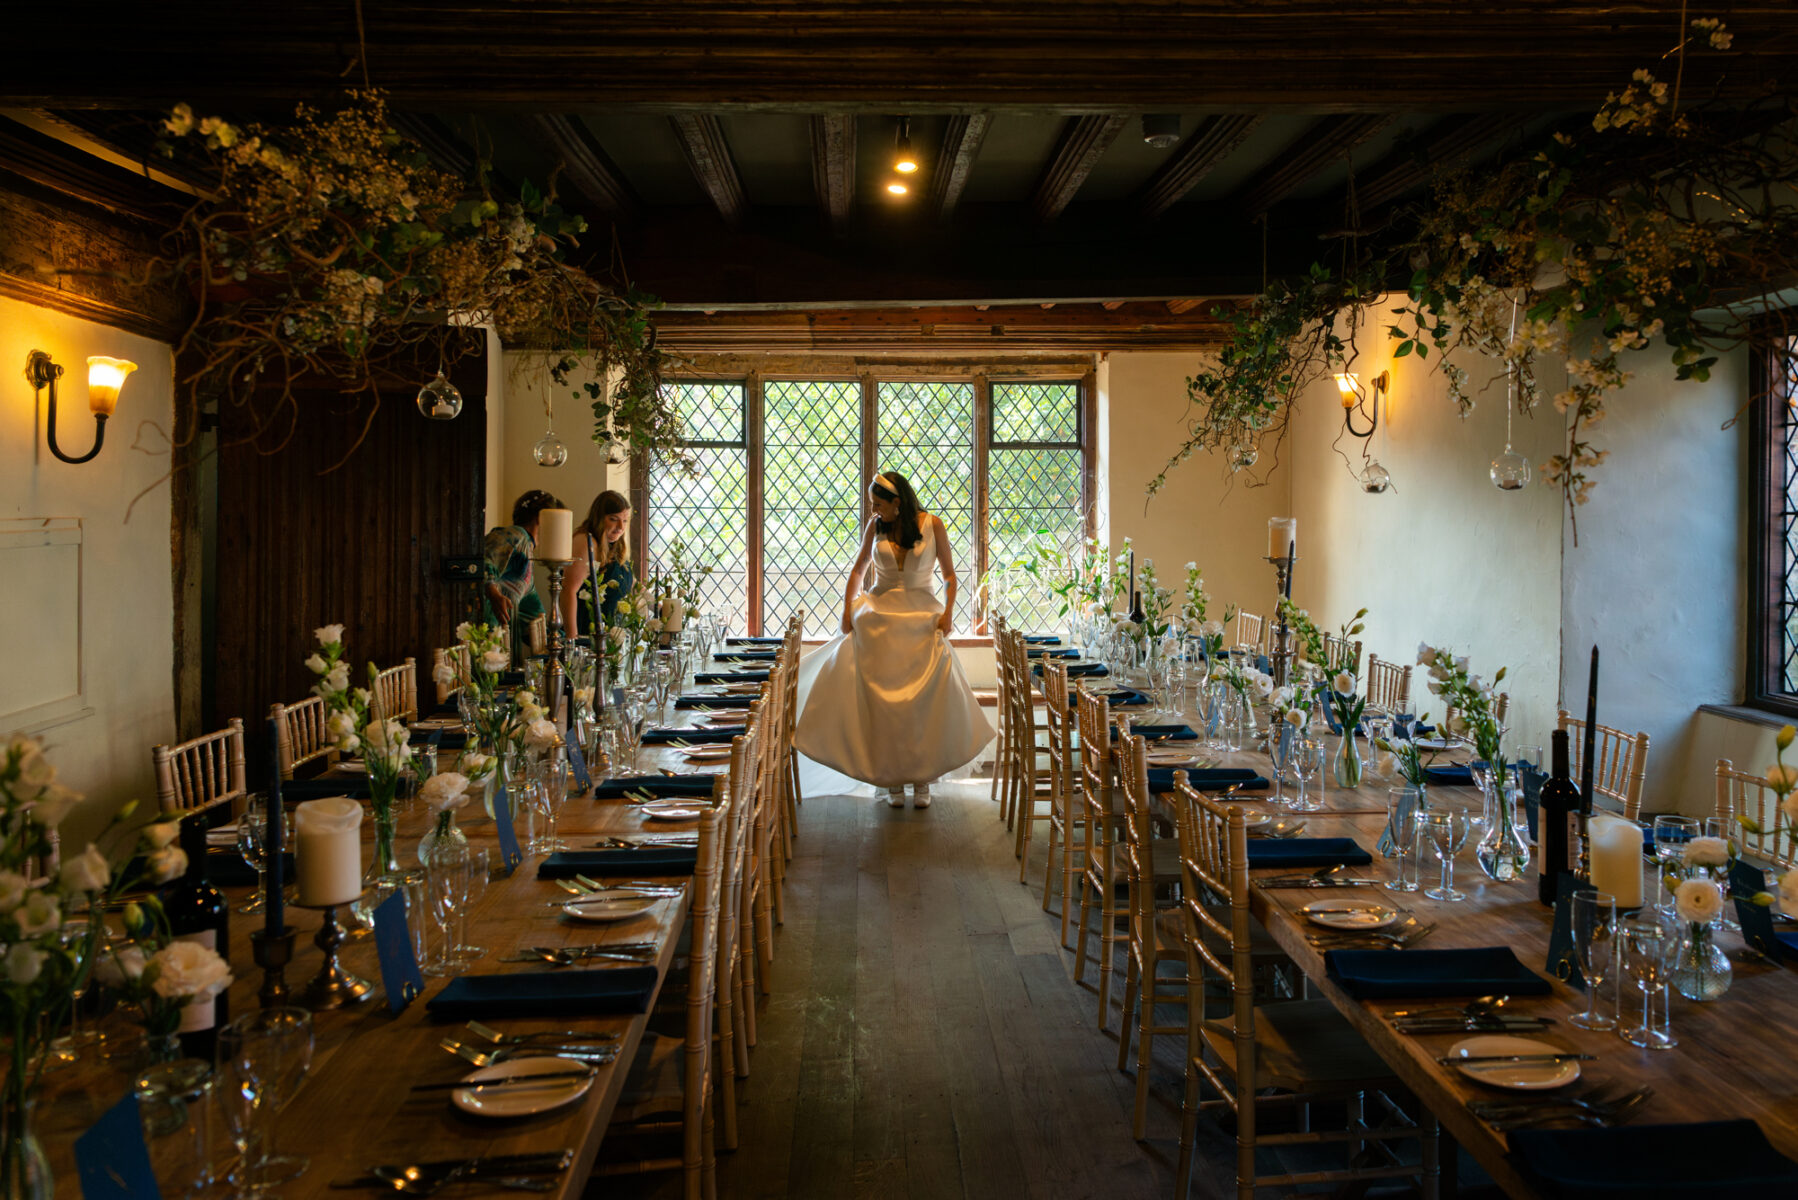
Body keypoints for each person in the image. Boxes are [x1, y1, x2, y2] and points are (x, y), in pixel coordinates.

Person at [795, 471, 995, 809]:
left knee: (921, 704)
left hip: (921, 614)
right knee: (884, 704)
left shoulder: (933, 525)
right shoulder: (875, 527)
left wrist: (947, 613)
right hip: (881, 613)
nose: (873, 510)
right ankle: (890, 779)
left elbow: (948, 574)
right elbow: (858, 571)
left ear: (897, 503)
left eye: (878, 504)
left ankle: (921, 777)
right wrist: (846, 611)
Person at [483, 489, 564, 662]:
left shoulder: (528, 557)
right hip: (483, 639)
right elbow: (483, 559)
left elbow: (534, 616)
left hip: (500, 653)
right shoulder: (517, 536)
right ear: (541, 519)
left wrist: (564, 640)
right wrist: (493, 592)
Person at [562, 489, 634, 637]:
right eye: (614, 519)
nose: (621, 526)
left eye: (625, 520)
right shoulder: (586, 542)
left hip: (612, 636)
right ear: (599, 518)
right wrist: (572, 639)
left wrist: (662, 608)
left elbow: (634, 586)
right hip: (588, 635)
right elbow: (568, 591)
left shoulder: (614, 546)